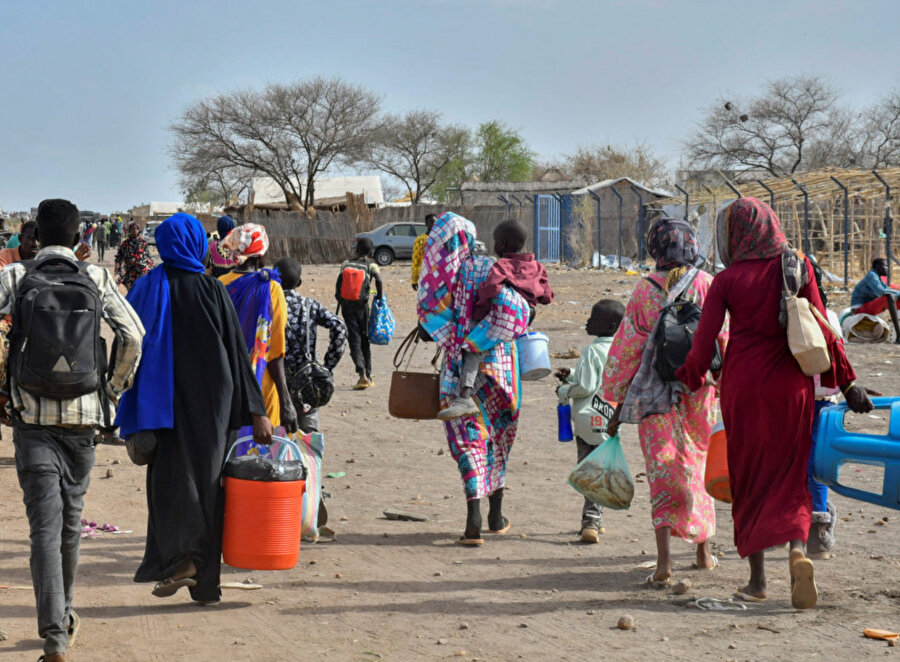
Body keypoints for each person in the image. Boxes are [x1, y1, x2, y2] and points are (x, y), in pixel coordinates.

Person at [677, 197, 873, 609]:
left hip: (744, 388)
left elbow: (703, 342)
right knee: (791, 477)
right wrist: (848, 380)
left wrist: (691, 377)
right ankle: (798, 553)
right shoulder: (795, 265)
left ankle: (758, 580)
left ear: (735, 233)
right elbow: (823, 326)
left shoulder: (727, 280)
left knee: (749, 479)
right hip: (792, 388)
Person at [1, 199, 144, 662]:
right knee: (69, 524)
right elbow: (133, 336)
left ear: (35, 236)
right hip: (84, 419)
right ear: (81, 237)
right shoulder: (97, 277)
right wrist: (112, 389)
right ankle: (61, 624)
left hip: (32, 420)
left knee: (43, 528)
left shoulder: (16, 277)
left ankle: (55, 635)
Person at [116, 213, 274, 605]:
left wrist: (118, 399)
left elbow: (127, 346)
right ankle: (205, 583)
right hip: (212, 405)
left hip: (162, 406)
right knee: (209, 486)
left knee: (169, 483)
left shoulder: (146, 288)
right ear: (196, 245)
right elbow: (238, 353)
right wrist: (256, 411)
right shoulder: (211, 289)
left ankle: (180, 561)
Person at [603, 217, 727, 586]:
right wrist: (726, 386)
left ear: (655, 248)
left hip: (653, 395)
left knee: (662, 471)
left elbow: (624, 350)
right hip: (699, 391)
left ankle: (664, 564)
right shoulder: (708, 285)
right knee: (699, 466)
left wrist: (609, 405)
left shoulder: (643, 291)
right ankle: (704, 552)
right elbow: (724, 340)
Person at [417, 212, 530, 545]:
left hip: (458, 370)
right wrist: (491, 334)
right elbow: (519, 312)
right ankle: (496, 516)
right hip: (503, 369)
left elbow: (431, 319)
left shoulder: (453, 276)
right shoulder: (499, 270)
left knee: (469, 441)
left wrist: (459, 338)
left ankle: (473, 521)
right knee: (498, 437)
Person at [439, 218, 554, 420]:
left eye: (495, 241)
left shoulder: (502, 265)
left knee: (472, 347)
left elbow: (491, 288)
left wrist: (479, 312)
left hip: (505, 313)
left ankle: (465, 397)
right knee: (509, 345)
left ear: (501, 242)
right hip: (526, 314)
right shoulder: (537, 266)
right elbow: (547, 295)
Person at [555, 299, 625, 544]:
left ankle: (591, 521)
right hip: (610, 418)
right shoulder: (619, 350)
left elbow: (585, 386)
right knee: (601, 467)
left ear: (610, 324)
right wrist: (572, 375)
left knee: (589, 469)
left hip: (587, 419)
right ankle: (597, 518)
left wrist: (565, 391)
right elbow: (599, 381)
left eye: (593, 318)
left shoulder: (591, 351)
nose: (587, 321)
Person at [219, 224, 298, 433]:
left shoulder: (219, 285)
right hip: (260, 390)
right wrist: (286, 401)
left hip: (225, 386)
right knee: (260, 457)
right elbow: (274, 352)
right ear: (259, 256)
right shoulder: (271, 288)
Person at [274, 257, 347, 432]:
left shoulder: (268, 304)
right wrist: (327, 366)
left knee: (279, 440)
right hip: (307, 381)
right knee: (308, 437)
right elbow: (340, 328)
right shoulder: (309, 305)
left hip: (276, 382)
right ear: (299, 282)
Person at [335, 237, 383, 390]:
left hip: (347, 306)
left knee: (354, 339)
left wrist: (341, 301)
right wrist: (379, 296)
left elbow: (339, 284)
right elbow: (379, 281)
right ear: (370, 252)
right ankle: (368, 375)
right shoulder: (371, 266)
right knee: (365, 340)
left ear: (356, 248)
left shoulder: (345, 264)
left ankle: (361, 373)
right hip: (362, 307)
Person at [850, 258, 900, 341]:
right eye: (886, 266)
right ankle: (899, 336)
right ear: (878, 267)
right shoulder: (871, 275)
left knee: (895, 298)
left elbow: (889, 289)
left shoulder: (878, 278)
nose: (888, 268)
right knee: (890, 297)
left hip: (868, 307)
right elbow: (881, 291)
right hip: (859, 308)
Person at [115, 222, 153, 290]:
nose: (134, 231)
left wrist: (149, 267)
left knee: (140, 290)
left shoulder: (143, 243)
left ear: (139, 230)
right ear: (130, 231)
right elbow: (119, 256)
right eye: (132, 229)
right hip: (129, 271)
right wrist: (118, 269)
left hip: (141, 270)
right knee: (130, 290)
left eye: (136, 229)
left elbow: (147, 256)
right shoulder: (125, 243)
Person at [410, 213, 435, 290]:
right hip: (423, 274)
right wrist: (414, 280)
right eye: (432, 222)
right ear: (426, 224)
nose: (434, 224)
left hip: (436, 276)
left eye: (436, 222)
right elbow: (415, 260)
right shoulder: (420, 239)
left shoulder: (439, 239)